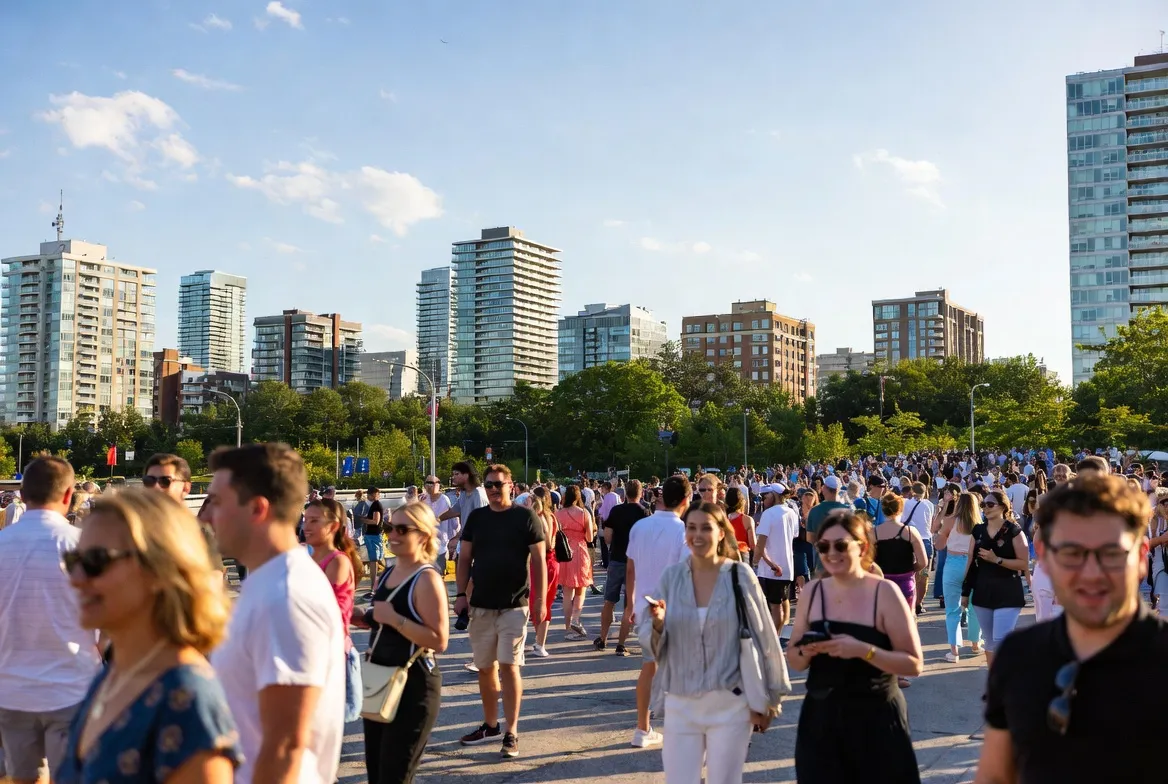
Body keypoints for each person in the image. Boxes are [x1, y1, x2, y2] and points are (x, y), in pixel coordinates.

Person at [975, 476, 1168, 784]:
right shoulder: (1018, 656)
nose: (1091, 574)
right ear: (1044, 556)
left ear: (1142, 556)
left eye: (1111, 554)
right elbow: (995, 776)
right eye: (1072, 554)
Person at [56, 491, 242, 783]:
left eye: (96, 560)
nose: (76, 577)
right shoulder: (116, 673)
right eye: (73, 559)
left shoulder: (185, 696)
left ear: (159, 570)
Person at [205, 443, 345, 784]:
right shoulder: (267, 580)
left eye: (217, 502)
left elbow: (285, 747)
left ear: (257, 509)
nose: (206, 516)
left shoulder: (287, 594)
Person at [647, 503, 790, 784]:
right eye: (691, 528)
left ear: (721, 533)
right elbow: (653, 647)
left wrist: (770, 699)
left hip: (730, 703)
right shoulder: (671, 578)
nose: (697, 535)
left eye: (706, 528)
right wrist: (658, 623)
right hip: (681, 700)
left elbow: (765, 636)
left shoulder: (739, 576)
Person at [788, 509, 923, 783]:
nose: (831, 553)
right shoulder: (813, 592)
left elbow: (914, 664)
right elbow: (795, 659)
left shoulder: (884, 593)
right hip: (822, 720)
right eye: (823, 546)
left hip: (876, 719)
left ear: (862, 547)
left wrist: (864, 650)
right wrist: (806, 650)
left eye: (840, 545)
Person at [0, 458, 102, 784]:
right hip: (72, 687)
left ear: (24, 492)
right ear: (69, 493)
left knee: (22, 779)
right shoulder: (82, 546)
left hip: (10, 689)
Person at [453, 465, 546, 758]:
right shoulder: (477, 518)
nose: (493, 490)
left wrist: (540, 600)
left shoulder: (525, 517)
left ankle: (511, 731)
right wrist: (459, 595)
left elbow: (539, 561)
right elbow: (464, 557)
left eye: (498, 485)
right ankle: (490, 725)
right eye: (489, 485)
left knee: (509, 666)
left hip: (514, 605)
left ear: (511, 486)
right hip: (480, 604)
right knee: (485, 668)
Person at [352, 502, 448, 784]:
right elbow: (381, 619)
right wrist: (361, 617)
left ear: (423, 535)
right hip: (381, 679)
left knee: (394, 776)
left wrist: (394, 619)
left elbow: (440, 640)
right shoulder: (388, 573)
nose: (392, 534)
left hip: (413, 685)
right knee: (377, 773)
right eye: (390, 527)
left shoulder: (427, 578)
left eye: (402, 529)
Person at [625, 475, 690, 749]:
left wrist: (629, 603)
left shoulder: (640, 526)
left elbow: (630, 567)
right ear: (686, 501)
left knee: (648, 668)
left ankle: (643, 728)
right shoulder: (683, 531)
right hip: (670, 609)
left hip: (643, 606)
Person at [302, 498, 365, 724]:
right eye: (305, 520)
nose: (306, 526)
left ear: (333, 527)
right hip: (310, 653)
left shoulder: (337, 562)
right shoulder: (305, 557)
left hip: (332, 654)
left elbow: (329, 615)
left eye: (314, 521)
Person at [961, 487, 1029, 669]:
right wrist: (965, 592)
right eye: (983, 504)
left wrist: (996, 559)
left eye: (990, 504)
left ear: (1002, 507)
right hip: (983, 592)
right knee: (990, 641)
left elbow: (1023, 564)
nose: (985, 508)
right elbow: (971, 562)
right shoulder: (978, 531)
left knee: (1001, 639)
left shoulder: (1014, 531)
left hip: (1008, 591)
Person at [144, 453, 225, 580]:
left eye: (165, 481)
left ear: (186, 488)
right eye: (149, 481)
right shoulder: (131, 527)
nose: (155, 487)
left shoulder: (197, 530)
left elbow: (215, 578)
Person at [595, 479, 649, 655]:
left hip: (617, 558)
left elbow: (608, 538)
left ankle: (602, 639)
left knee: (609, 601)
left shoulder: (616, 511)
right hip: (636, 561)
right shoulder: (644, 513)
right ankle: (621, 644)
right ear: (640, 493)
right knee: (629, 604)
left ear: (625, 493)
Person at [935, 493, 984, 662]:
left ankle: (954, 651)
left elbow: (939, 545)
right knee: (974, 606)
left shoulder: (950, 521)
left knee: (952, 609)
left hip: (953, 563)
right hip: (973, 566)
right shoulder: (980, 524)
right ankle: (975, 643)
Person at [753, 484, 799, 642]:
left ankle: (772, 640)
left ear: (774, 495)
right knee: (781, 602)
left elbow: (761, 544)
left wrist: (756, 561)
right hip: (786, 566)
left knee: (774, 606)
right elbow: (792, 535)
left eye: (766, 495)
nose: (764, 498)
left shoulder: (769, 514)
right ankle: (779, 637)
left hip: (771, 568)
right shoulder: (791, 512)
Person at [555, 485, 596, 641]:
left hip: (564, 553)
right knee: (580, 590)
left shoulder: (558, 513)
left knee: (566, 592)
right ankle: (576, 619)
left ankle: (567, 628)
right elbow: (590, 538)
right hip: (580, 551)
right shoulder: (584, 513)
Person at [525, 490, 559, 658]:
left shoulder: (538, 518)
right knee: (546, 602)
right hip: (552, 563)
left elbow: (544, 544)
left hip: (541, 563)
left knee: (536, 602)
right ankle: (540, 642)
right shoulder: (552, 516)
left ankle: (540, 642)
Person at [804, 474, 850, 574]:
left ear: (824, 488)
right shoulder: (848, 510)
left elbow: (810, 539)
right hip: (844, 564)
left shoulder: (814, 511)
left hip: (821, 564)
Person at [419, 476, 455, 574]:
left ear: (438, 484)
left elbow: (453, 522)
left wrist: (453, 539)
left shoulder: (444, 499)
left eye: (432, 483)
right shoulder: (423, 498)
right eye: (427, 483)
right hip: (424, 543)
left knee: (437, 574)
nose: (429, 485)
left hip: (440, 544)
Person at [361, 487, 387, 600]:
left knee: (374, 561)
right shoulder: (375, 505)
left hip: (373, 535)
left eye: (369, 494)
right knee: (377, 560)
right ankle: (375, 586)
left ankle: (373, 587)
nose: (368, 496)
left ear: (373, 494)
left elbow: (375, 521)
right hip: (374, 535)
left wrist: (362, 520)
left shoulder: (376, 505)